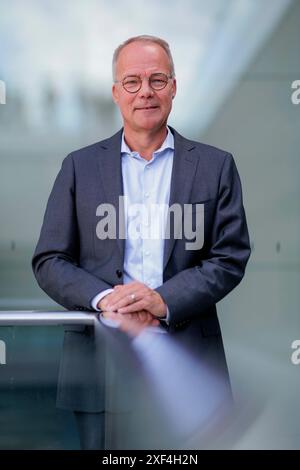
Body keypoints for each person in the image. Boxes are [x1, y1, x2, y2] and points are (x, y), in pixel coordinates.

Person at [32, 35, 251, 450]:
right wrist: (107, 299)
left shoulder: (215, 166)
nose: (145, 91)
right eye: (132, 81)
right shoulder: (78, 167)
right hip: (99, 362)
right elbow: (50, 260)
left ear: (173, 87)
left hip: (188, 355)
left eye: (157, 79)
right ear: (116, 93)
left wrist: (161, 299)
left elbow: (229, 257)